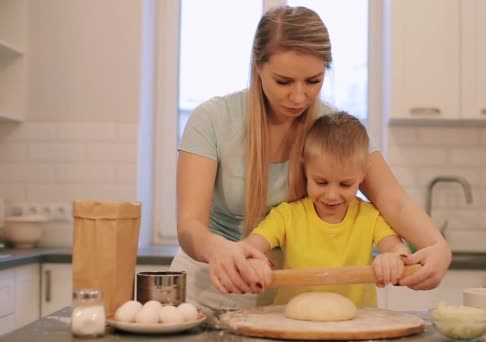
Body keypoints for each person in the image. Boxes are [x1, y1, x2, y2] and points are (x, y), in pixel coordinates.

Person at [169, 5, 451, 310]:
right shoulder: (212, 119)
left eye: (313, 81)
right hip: (208, 288)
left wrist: (438, 247)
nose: (299, 97)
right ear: (258, 65)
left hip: (287, 295)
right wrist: (218, 250)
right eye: (284, 81)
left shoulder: (331, 129)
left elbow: (394, 201)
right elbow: (190, 225)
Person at [232, 112, 412, 308]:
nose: (332, 195)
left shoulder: (370, 217)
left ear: (363, 173)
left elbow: (397, 248)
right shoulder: (286, 216)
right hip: (294, 328)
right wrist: (252, 260)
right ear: (305, 168)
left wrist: (394, 259)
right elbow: (248, 247)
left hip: (356, 327)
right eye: (321, 182)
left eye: (345, 184)